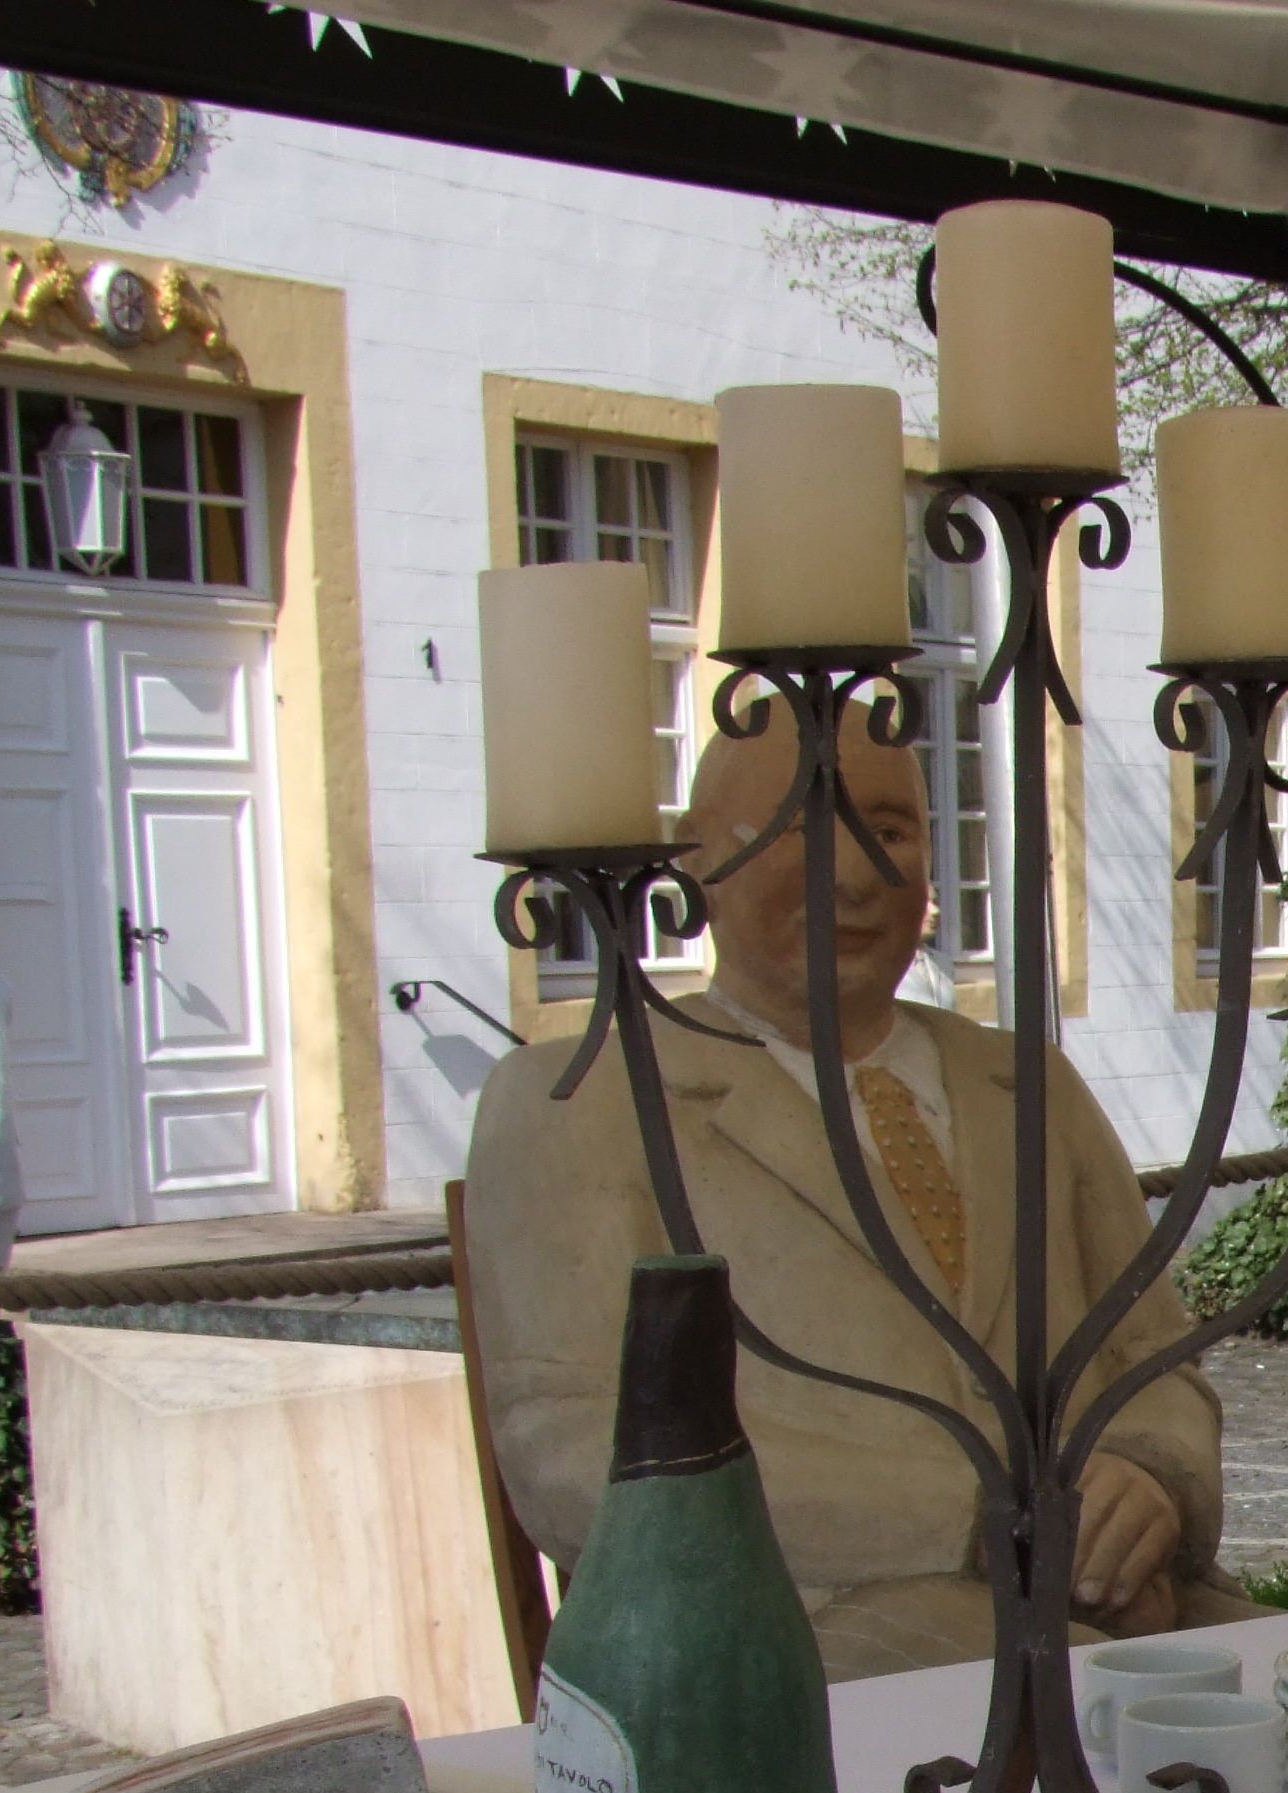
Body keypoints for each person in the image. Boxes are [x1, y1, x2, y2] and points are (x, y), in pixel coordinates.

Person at [468, 697, 1248, 1683]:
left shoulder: (1028, 1085)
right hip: (801, 1648)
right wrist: (985, 1519)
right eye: (797, 825)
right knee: (1090, 1715)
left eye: (889, 829)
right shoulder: (586, 1097)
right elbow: (573, 1452)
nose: (850, 873)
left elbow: (1156, 1359)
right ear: (696, 861)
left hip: (1126, 1615)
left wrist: (1149, 1479)